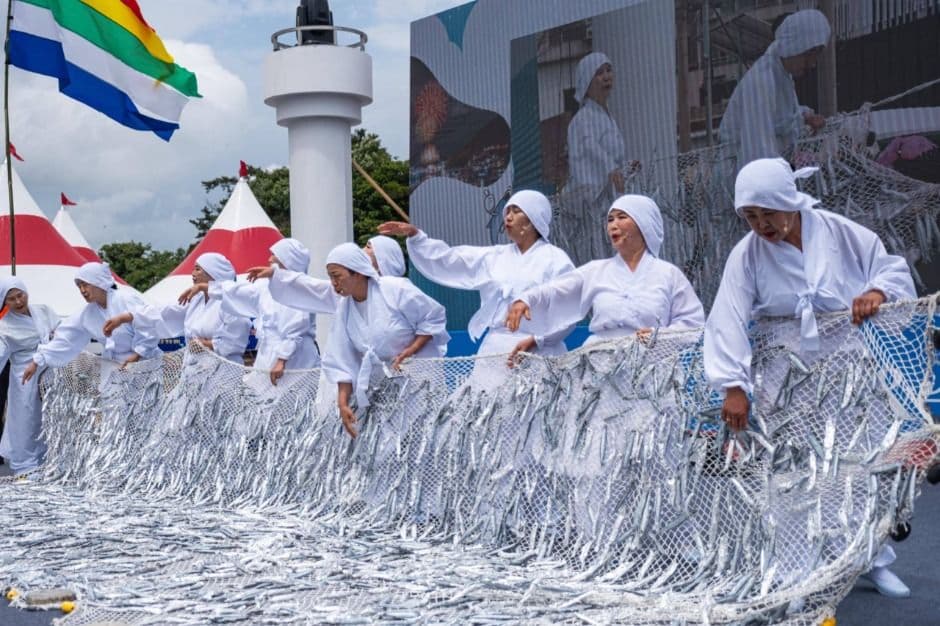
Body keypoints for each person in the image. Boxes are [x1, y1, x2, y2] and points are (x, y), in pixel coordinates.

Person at [703, 157, 915, 598]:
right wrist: (733, 386)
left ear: (790, 203)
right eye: (750, 216)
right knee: (793, 470)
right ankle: (794, 570)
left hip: (846, 364)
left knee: (856, 464)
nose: (760, 225)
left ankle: (869, 560)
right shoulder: (746, 254)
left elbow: (889, 267)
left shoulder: (837, 230)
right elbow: (726, 317)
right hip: (785, 370)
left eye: (767, 213)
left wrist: (875, 293)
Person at [379, 190, 575, 368]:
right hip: (495, 350)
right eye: (508, 211)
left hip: (539, 353)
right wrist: (417, 237)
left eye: (516, 211)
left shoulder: (555, 260)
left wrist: (538, 340)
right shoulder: (495, 257)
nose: (508, 216)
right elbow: (451, 259)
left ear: (533, 218)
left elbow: (569, 310)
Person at [506, 194, 704, 356]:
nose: (613, 225)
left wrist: (660, 337)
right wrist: (526, 300)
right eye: (610, 219)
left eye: (622, 217)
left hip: (651, 372)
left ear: (643, 224)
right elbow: (557, 289)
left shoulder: (668, 274)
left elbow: (693, 324)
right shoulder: (596, 271)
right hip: (601, 370)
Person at [319, 243, 449, 439]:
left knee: (421, 439)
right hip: (383, 388)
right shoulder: (344, 310)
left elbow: (432, 316)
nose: (334, 283)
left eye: (337, 276)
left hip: (419, 380)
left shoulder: (394, 288)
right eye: (330, 277)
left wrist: (412, 349)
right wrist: (343, 403)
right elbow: (341, 359)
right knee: (386, 448)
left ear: (359, 273)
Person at [184, 240, 319, 385]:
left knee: (295, 401)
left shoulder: (301, 288)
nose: (269, 259)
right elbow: (239, 292)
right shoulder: (266, 286)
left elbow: (297, 327)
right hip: (267, 355)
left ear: (288, 259)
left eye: (274, 255)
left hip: (297, 359)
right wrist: (206, 287)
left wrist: (282, 359)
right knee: (264, 401)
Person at [719, 9, 831, 169]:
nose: (812, 65)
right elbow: (756, 152)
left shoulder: (782, 75)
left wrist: (805, 117)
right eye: (808, 57)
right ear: (795, 47)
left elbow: (781, 120)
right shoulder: (762, 80)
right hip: (737, 176)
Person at [23, 262, 160, 387]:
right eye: (79, 286)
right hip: (118, 369)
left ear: (98, 282)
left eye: (85, 284)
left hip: (146, 363)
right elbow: (66, 338)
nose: (82, 290)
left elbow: (148, 324)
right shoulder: (87, 313)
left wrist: (138, 354)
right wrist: (37, 361)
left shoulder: (125, 299)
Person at [562, 52, 639, 266]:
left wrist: (626, 168)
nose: (606, 76)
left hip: (610, 203)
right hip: (592, 206)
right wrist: (611, 169)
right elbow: (590, 147)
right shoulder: (582, 119)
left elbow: (614, 155)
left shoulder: (607, 116)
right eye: (599, 73)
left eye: (608, 70)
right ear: (587, 80)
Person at [109, 253, 251, 364]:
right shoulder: (196, 299)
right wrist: (128, 317)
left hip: (223, 374)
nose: (193, 273)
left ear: (213, 273)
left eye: (198, 269)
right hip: (195, 371)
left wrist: (208, 344)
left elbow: (239, 333)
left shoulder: (230, 302)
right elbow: (166, 312)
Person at [0, 278, 59, 476]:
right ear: (4, 302)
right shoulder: (4, 327)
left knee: (51, 416)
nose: (18, 301)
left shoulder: (44, 310)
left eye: (20, 295)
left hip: (52, 371)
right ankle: (25, 465)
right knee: (26, 419)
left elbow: (63, 334)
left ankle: (49, 461)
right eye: (11, 299)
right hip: (24, 377)